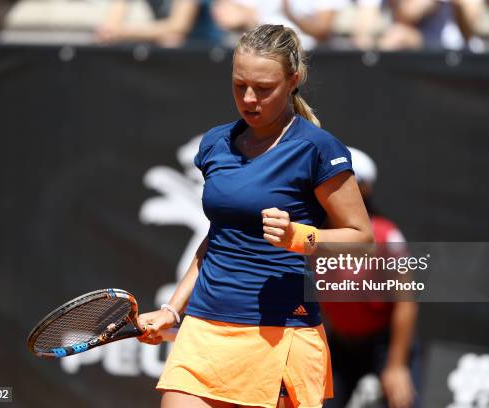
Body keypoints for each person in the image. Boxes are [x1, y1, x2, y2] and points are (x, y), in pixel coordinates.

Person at [136, 24, 374, 408]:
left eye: (264, 88)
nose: (249, 98)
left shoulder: (317, 148)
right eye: (239, 85)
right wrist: (171, 310)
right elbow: (218, 236)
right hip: (204, 330)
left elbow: (362, 238)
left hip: (280, 335)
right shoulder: (215, 143)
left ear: (293, 80)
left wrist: (300, 237)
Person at [321, 148, 420, 408]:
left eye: (345, 182)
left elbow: (405, 302)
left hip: (384, 345)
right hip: (340, 345)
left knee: (402, 400)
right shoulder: (315, 233)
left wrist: (397, 366)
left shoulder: (387, 236)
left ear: (363, 190)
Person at [212, 0, 348, 50]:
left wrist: (292, 16)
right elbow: (226, 13)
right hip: (261, 54)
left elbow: (323, 29)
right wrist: (245, 19)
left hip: (307, 58)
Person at [96, 0, 223, 47]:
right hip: (167, 47)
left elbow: (178, 27)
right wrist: (111, 32)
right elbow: (111, 27)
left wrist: (123, 32)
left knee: (172, 42)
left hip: (206, 51)